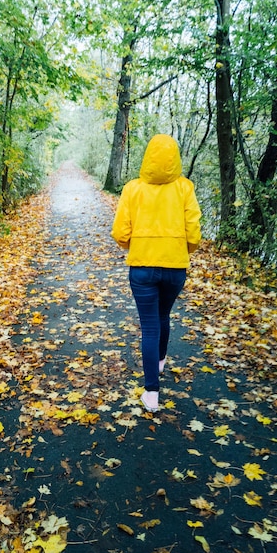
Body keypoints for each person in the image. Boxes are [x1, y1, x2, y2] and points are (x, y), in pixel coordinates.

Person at [111, 134, 201, 412]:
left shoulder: (132, 189)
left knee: (150, 325)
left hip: (142, 268)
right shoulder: (185, 188)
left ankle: (151, 393)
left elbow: (120, 232)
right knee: (164, 315)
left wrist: (131, 244)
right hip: (175, 269)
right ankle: (160, 361)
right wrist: (183, 250)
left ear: (147, 157)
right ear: (175, 158)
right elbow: (194, 231)